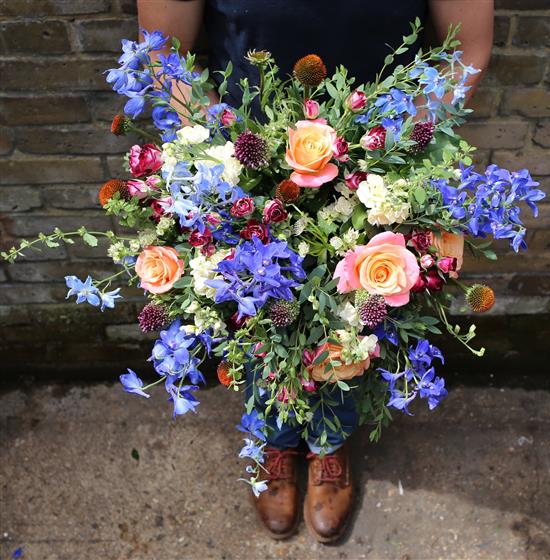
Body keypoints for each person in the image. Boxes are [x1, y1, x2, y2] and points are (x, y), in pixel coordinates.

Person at [137, 0, 494, 543]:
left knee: (358, 316)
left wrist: (391, 156)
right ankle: (273, 435)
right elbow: (165, 52)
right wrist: (225, 159)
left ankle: (330, 436)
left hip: (381, 154)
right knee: (254, 306)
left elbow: (466, 48)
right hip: (243, 156)